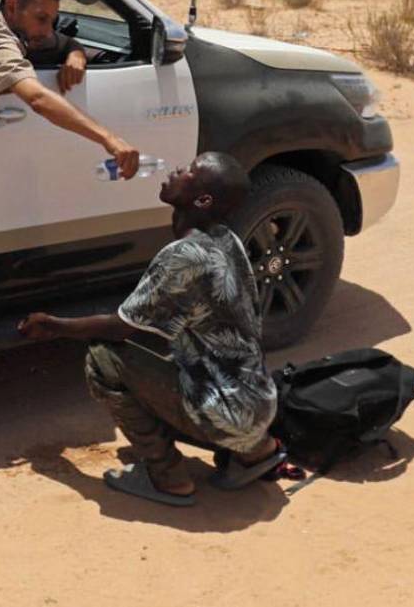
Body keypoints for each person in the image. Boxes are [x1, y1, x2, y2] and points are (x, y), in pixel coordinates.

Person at [17, 152, 289, 507]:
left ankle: (168, 476)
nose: (177, 169)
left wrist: (54, 325)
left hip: (222, 410)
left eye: (189, 171)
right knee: (176, 359)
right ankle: (255, 452)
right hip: (258, 402)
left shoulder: (184, 256)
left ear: (202, 200)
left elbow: (119, 329)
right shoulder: (227, 239)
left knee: (103, 359)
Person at [0, 0, 139, 180]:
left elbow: (62, 41)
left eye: (52, 21)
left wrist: (75, 54)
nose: (47, 31)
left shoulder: (14, 23)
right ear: (11, 7)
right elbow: (37, 98)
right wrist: (109, 139)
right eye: (42, 19)